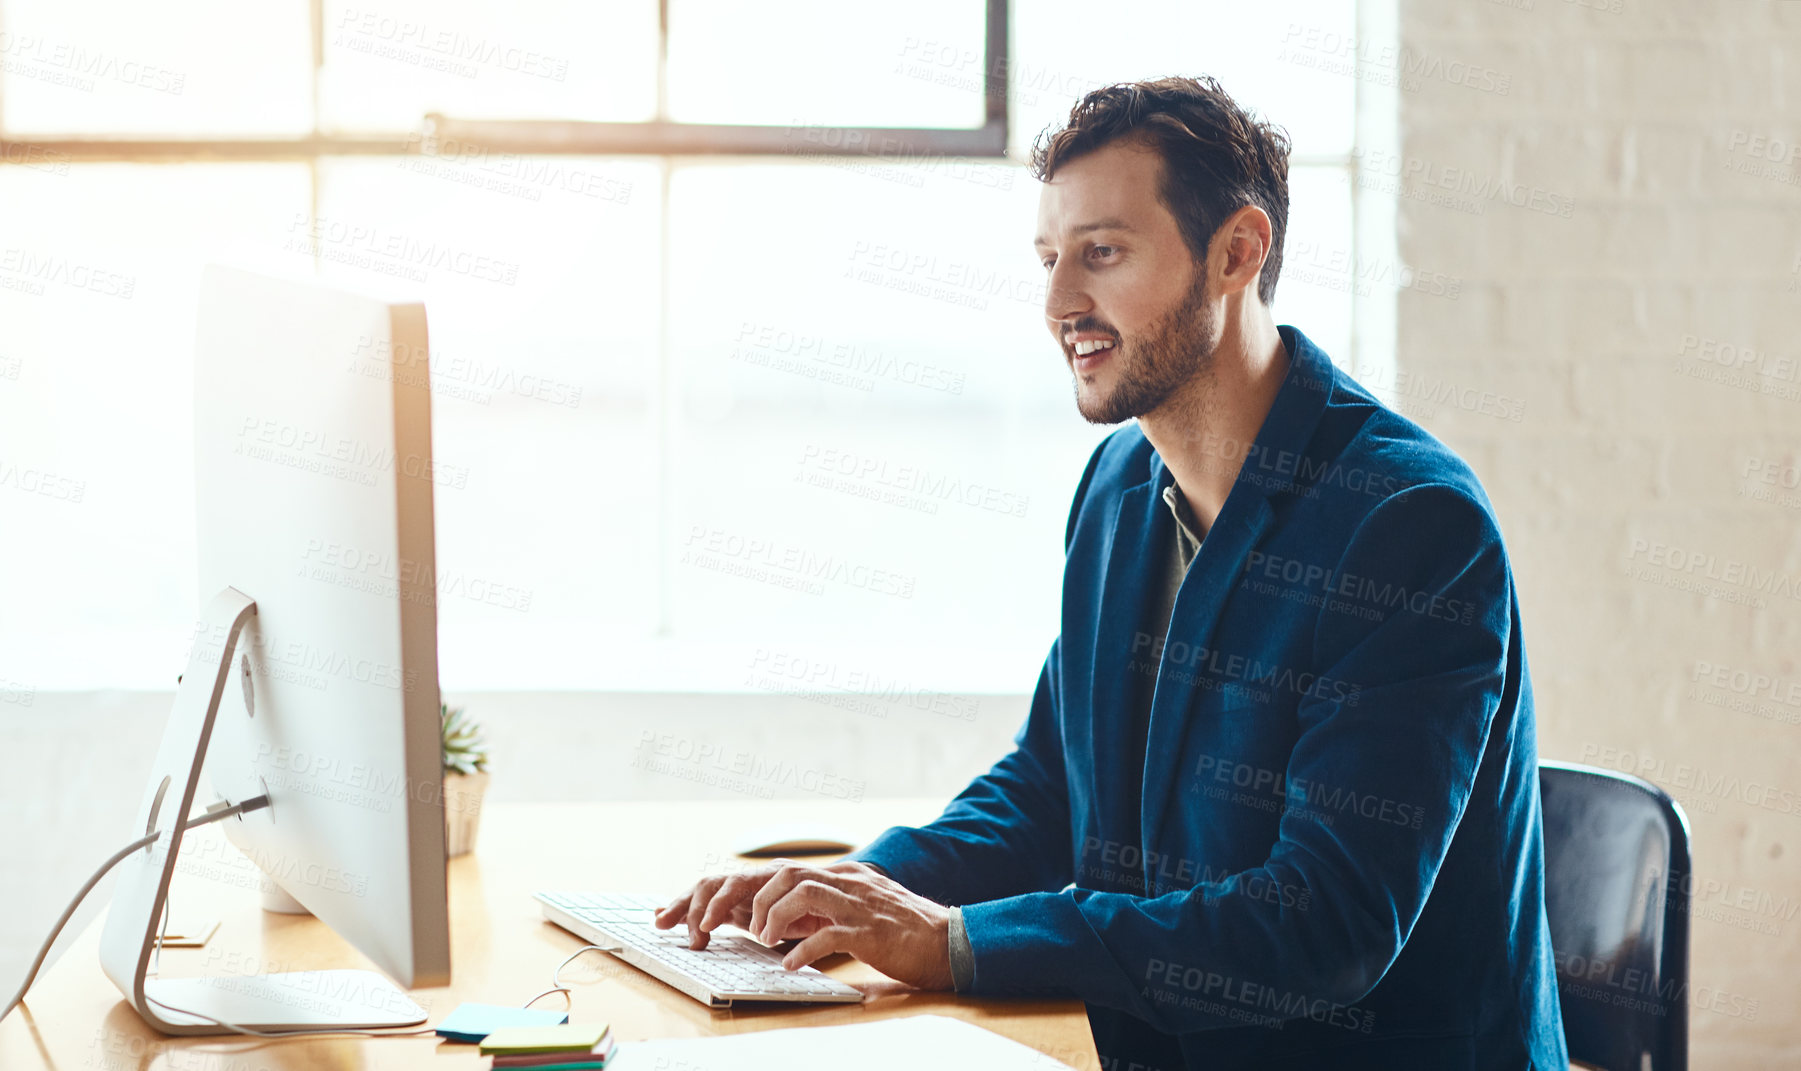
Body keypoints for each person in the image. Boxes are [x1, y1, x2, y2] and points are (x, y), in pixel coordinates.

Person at [657, 75, 1570, 1070]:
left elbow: (1322, 925)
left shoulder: (1407, 528)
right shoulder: (1120, 484)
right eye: (1049, 259)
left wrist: (953, 944)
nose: (1057, 302)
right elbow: (1049, 790)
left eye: (1101, 254)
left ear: (1236, 251)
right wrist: (847, 891)